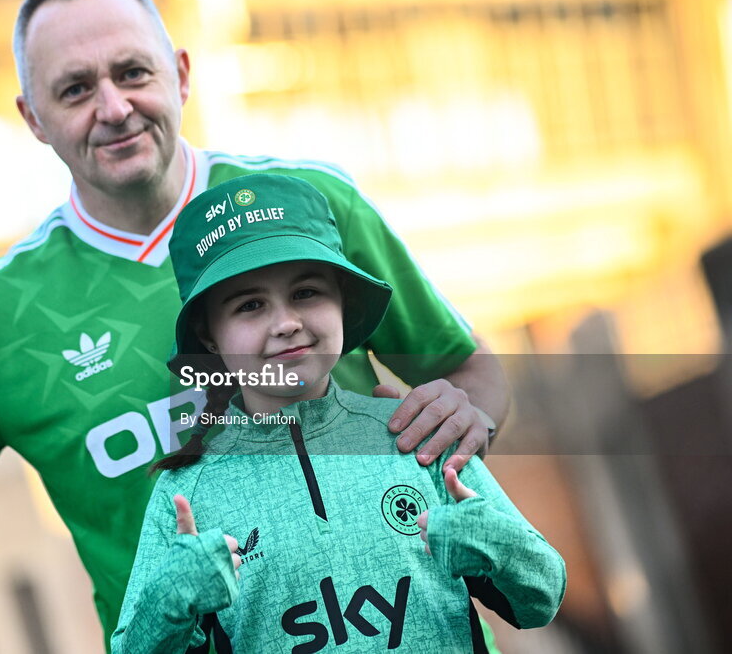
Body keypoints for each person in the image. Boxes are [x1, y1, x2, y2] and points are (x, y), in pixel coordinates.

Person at [0, 0, 511, 649]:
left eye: (132, 72)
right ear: (33, 119)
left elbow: (468, 367)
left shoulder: (312, 207)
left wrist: (464, 409)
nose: (113, 107)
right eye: (76, 89)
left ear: (179, 73)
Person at [111, 174, 565, 653]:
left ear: (343, 305)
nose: (286, 323)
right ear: (208, 337)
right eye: (250, 305)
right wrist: (170, 601)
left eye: (306, 292)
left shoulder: (419, 434)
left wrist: (497, 547)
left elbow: (543, 597)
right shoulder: (186, 493)